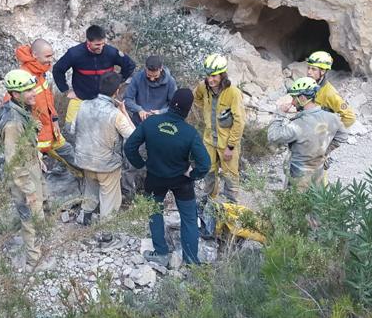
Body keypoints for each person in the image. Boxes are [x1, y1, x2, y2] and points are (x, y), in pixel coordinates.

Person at [124, 89, 211, 266]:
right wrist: (193, 175)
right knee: (188, 219)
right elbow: (205, 164)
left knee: (154, 213)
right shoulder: (190, 133)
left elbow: (130, 147)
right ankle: (191, 261)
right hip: (181, 181)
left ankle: (161, 253)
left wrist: (141, 165)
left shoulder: (151, 123)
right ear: (188, 110)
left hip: (155, 178)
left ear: (171, 104)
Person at [0, 69, 55, 272]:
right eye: (27, 90)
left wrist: (38, 159)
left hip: (32, 171)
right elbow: (14, 160)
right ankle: (34, 261)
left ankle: (35, 248)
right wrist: (28, 190)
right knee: (30, 218)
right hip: (24, 179)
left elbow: (26, 145)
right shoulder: (13, 123)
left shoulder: (21, 111)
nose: (33, 93)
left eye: (32, 88)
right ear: (14, 94)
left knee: (37, 214)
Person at [4, 39, 82, 177]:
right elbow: (10, 106)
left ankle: (81, 176)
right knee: (35, 169)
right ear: (35, 55)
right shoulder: (23, 77)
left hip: (50, 129)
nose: (51, 60)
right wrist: (30, 127)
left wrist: (55, 120)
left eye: (51, 55)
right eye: (47, 56)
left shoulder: (40, 74)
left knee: (68, 152)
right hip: (35, 135)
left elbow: (47, 101)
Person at [73, 71, 135, 224]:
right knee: (110, 198)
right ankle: (106, 235)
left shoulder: (83, 105)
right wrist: (125, 113)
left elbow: (72, 129)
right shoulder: (115, 114)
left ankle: (85, 219)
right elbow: (133, 136)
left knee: (90, 190)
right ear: (117, 91)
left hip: (84, 160)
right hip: (107, 165)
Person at [267, 77, 348, 191]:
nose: (292, 102)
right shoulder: (332, 118)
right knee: (316, 205)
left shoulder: (298, 125)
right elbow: (342, 136)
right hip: (318, 174)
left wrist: (280, 114)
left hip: (298, 178)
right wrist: (324, 152)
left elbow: (272, 136)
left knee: (295, 207)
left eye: (294, 98)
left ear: (303, 98)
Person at [52, 25, 136, 131]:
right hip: (81, 98)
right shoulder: (74, 53)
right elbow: (58, 69)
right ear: (88, 41)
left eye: (103, 44)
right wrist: (66, 90)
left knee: (107, 129)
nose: (100, 47)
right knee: (69, 128)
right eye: (97, 44)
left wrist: (118, 81)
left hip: (105, 99)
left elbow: (130, 65)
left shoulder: (111, 52)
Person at [193, 53, 245, 203]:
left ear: (223, 75)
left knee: (230, 175)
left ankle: (231, 206)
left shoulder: (233, 93)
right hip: (209, 140)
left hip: (227, 143)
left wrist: (231, 146)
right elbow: (197, 98)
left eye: (215, 76)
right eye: (209, 75)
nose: (211, 79)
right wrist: (207, 112)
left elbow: (239, 122)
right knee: (208, 171)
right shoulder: (203, 87)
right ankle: (208, 201)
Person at [306, 51, 356, 128]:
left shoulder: (329, 93)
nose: (309, 72)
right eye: (308, 68)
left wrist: (330, 131)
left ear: (322, 71)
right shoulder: (308, 85)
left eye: (313, 69)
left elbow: (350, 117)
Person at [124, 55, 177, 125]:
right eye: (149, 75)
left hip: (160, 123)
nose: (152, 79)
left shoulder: (170, 82)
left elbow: (174, 106)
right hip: (139, 122)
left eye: (155, 76)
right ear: (145, 68)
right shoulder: (137, 77)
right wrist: (138, 109)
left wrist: (160, 112)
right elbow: (127, 99)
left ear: (161, 68)